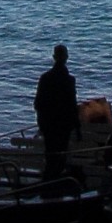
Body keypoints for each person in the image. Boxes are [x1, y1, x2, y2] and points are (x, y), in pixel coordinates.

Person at [33, 43, 78, 182]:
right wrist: (76, 127)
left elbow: (38, 103)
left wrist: (42, 122)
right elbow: (72, 105)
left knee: (51, 155)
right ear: (66, 57)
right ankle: (55, 183)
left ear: (54, 57)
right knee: (60, 156)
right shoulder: (69, 80)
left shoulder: (45, 78)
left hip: (49, 125)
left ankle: (49, 182)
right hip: (63, 126)